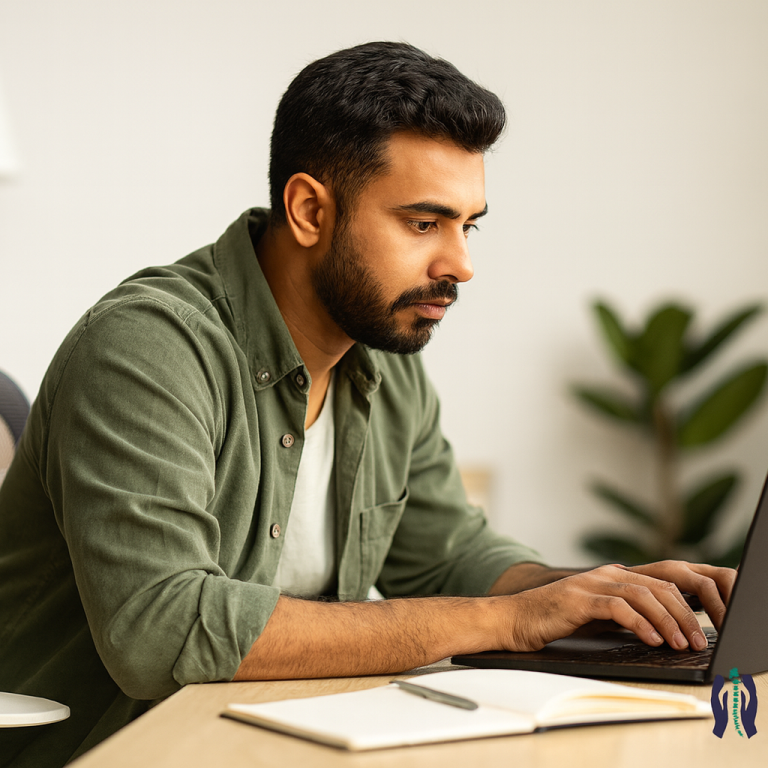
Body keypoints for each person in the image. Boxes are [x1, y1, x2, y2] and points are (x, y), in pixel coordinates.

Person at [0, 41, 735, 767]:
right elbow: (161, 632)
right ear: (310, 210)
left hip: (274, 740)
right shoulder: (147, 350)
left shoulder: (384, 356)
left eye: (467, 224)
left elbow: (449, 554)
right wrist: (503, 620)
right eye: (424, 224)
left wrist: (594, 595)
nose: (462, 265)